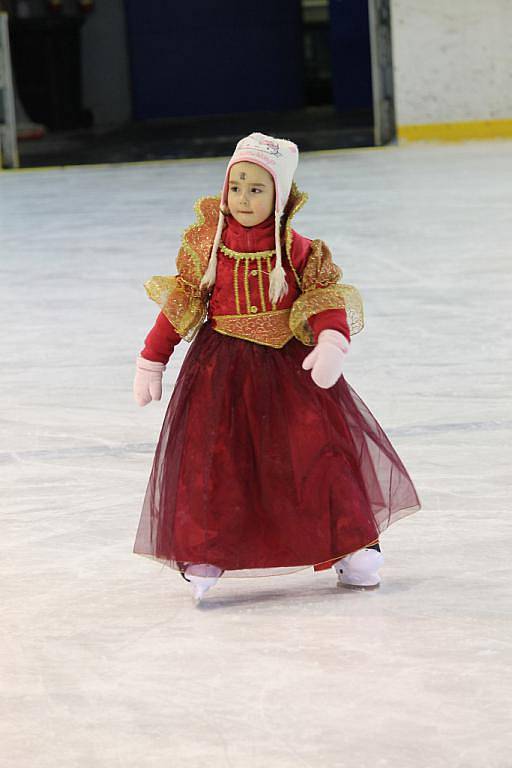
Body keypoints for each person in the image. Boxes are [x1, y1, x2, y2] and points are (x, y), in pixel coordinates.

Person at [132, 132, 420, 604]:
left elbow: (323, 298)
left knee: (318, 453)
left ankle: (352, 545)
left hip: (290, 369)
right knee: (216, 460)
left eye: (256, 188)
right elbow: (181, 303)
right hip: (219, 372)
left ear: (280, 196)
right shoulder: (209, 246)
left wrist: (332, 339)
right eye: (236, 186)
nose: (243, 198)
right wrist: (151, 358)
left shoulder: (298, 249)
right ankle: (207, 548)